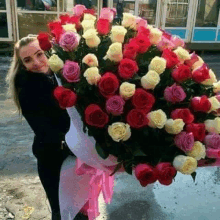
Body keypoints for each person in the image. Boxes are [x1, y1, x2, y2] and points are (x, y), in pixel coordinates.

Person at [5, 34, 88, 220]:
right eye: (27, 60)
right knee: (63, 213)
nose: (36, 62)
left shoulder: (60, 75)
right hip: (54, 160)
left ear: (48, 52)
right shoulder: (26, 87)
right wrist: (78, 147)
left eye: (39, 54)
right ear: (23, 65)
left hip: (76, 154)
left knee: (83, 210)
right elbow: (45, 131)